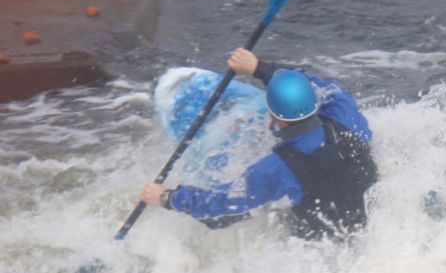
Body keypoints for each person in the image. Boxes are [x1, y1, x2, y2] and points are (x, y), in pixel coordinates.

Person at [139, 48, 378, 240]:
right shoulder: (344, 116)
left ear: (276, 117)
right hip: (370, 225)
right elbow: (321, 85)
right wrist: (259, 68)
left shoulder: (278, 168)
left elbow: (223, 202)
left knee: (229, 216)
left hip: (315, 245)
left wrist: (167, 198)